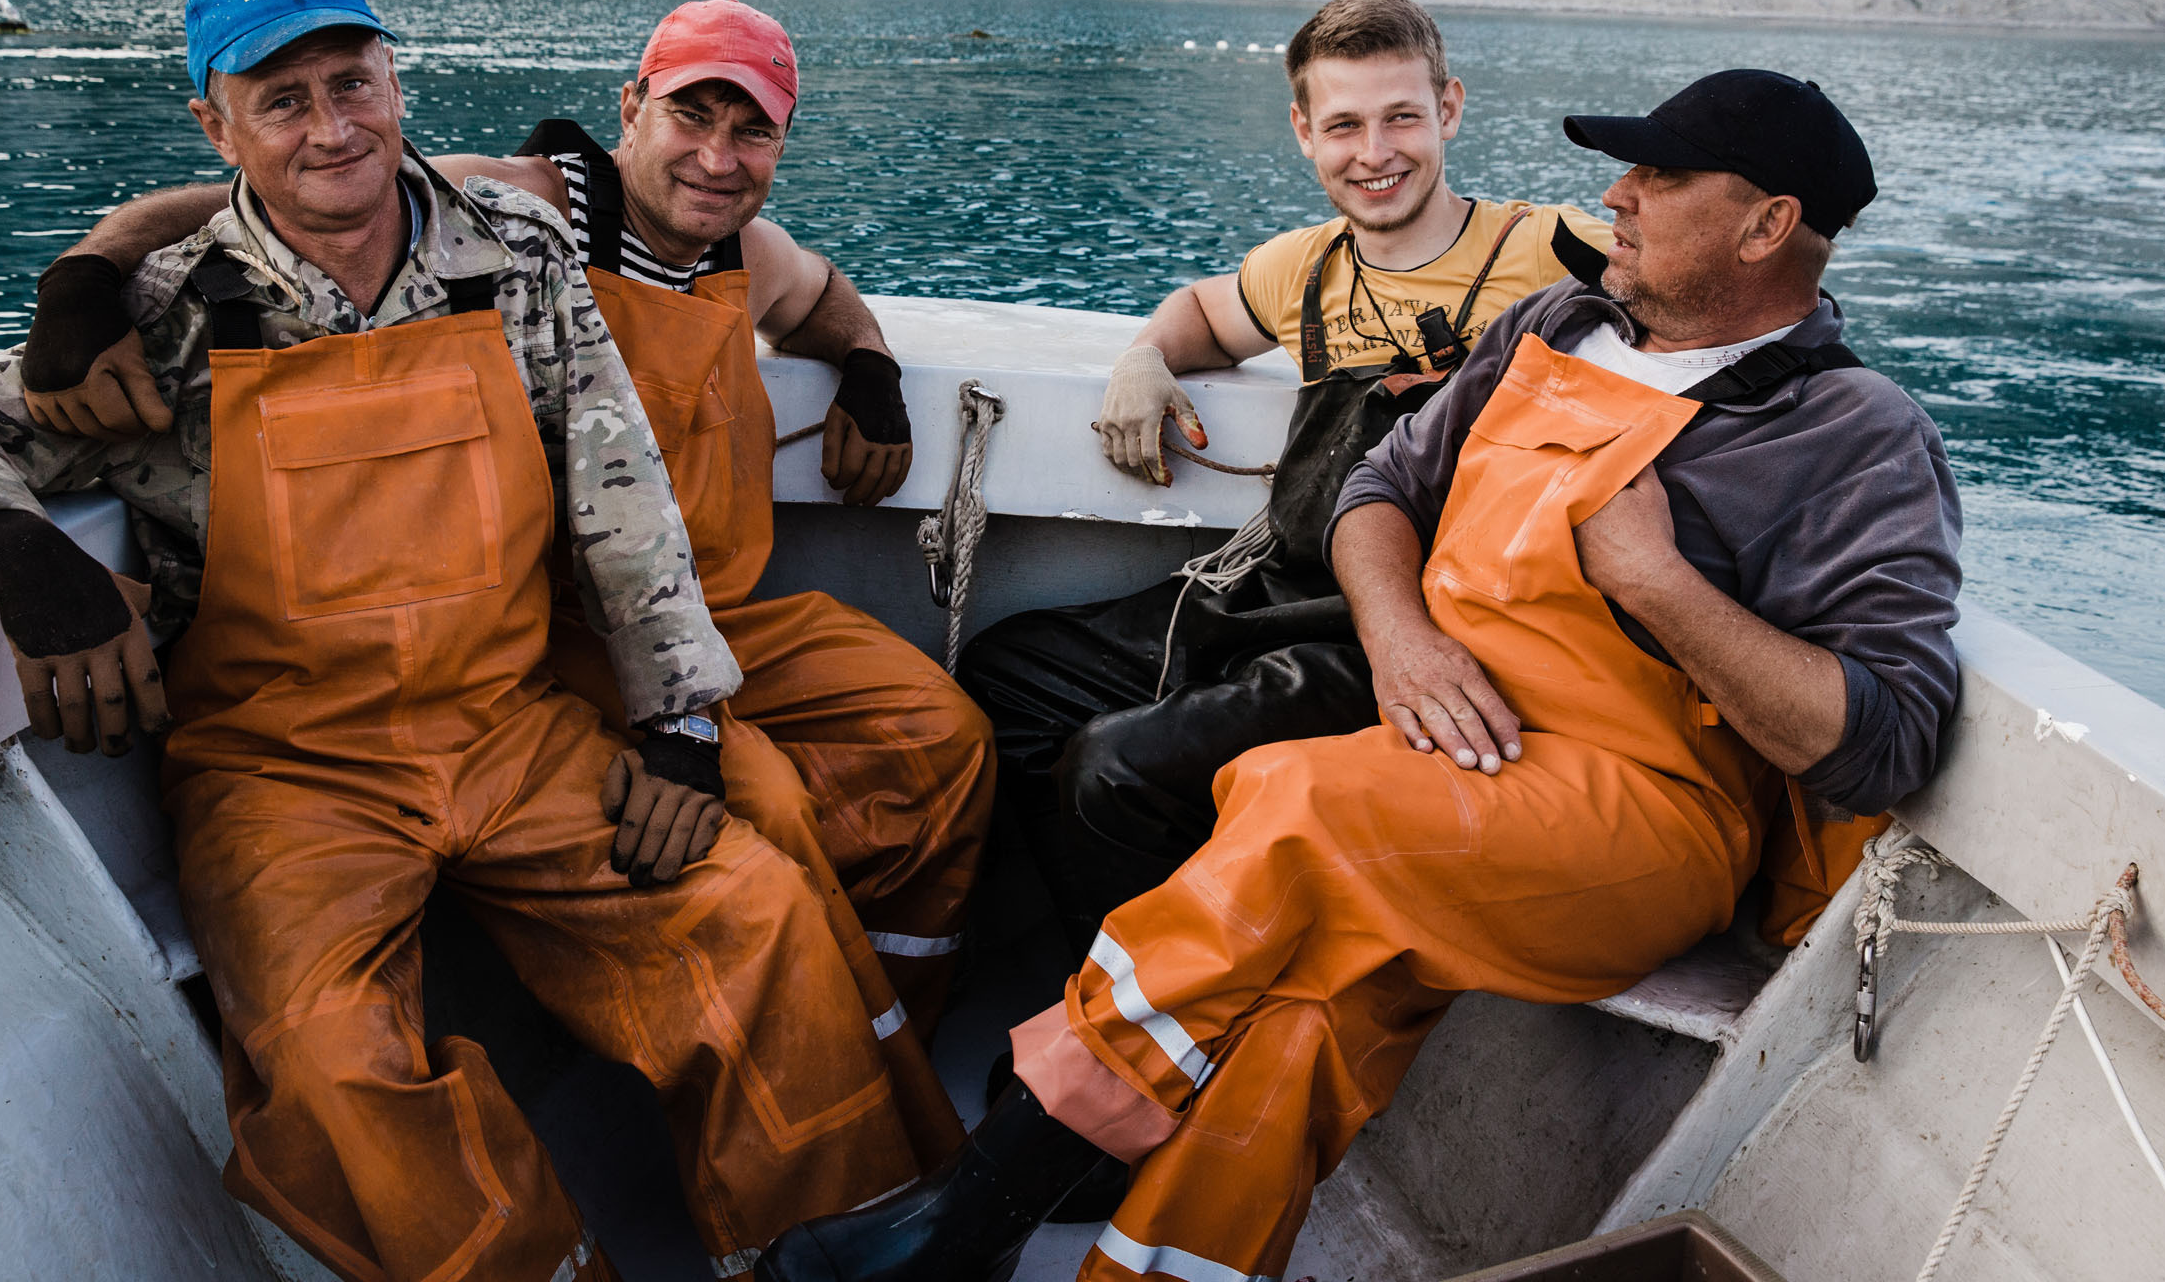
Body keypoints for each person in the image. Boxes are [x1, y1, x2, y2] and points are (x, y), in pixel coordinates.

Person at [0, 0, 944, 1282]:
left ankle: (843, 1256)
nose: (333, 127)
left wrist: (682, 721)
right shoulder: (168, 307)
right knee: (332, 1066)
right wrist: (5, 544)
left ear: (395, 81)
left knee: (753, 913)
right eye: (282, 99)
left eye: (352, 82)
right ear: (216, 126)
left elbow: (616, 485)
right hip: (282, 768)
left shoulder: (514, 253)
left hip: (509, 725)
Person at [753, 70, 1964, 1282]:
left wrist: (1656, 582)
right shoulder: (1559, 326)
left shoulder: (1856, 437)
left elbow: (1891, 736)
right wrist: (1401, 636)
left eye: (1661, 176)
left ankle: (966, 1221)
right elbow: (1380, 493)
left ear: (1766, 226)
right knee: (1300, 1026)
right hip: (1445, 750)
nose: (1619, 197)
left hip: (1639, 815)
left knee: (1291, 798)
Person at [18, 0, 995, 1036]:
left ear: (782, 142)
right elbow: (296, 186)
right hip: (559, 622)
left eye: (750, 129)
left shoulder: (750, 248)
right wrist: (80, 279)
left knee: (943, 734)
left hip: (716, 607)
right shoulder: (528, 207)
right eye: (689, 118)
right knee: (769, 807)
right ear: (632, 108)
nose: (716, 157)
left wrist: (872, 366)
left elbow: (825, 296)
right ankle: (835, 1035)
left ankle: (898, 1023)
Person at [955, 0, 1614, 953]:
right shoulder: (1302, 269)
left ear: (1451, 110)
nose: (1374, 153)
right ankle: (1119, 950)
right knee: (1007, 678)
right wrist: (1145, 358)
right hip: (1279, 589)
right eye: (1343, 124)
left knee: (1113, 764)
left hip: (1417, 622)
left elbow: (1710, 313)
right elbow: (1202, 312)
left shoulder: (1547, 251)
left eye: (1402, 117)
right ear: (1304, 131)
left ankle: (1147, 1010)